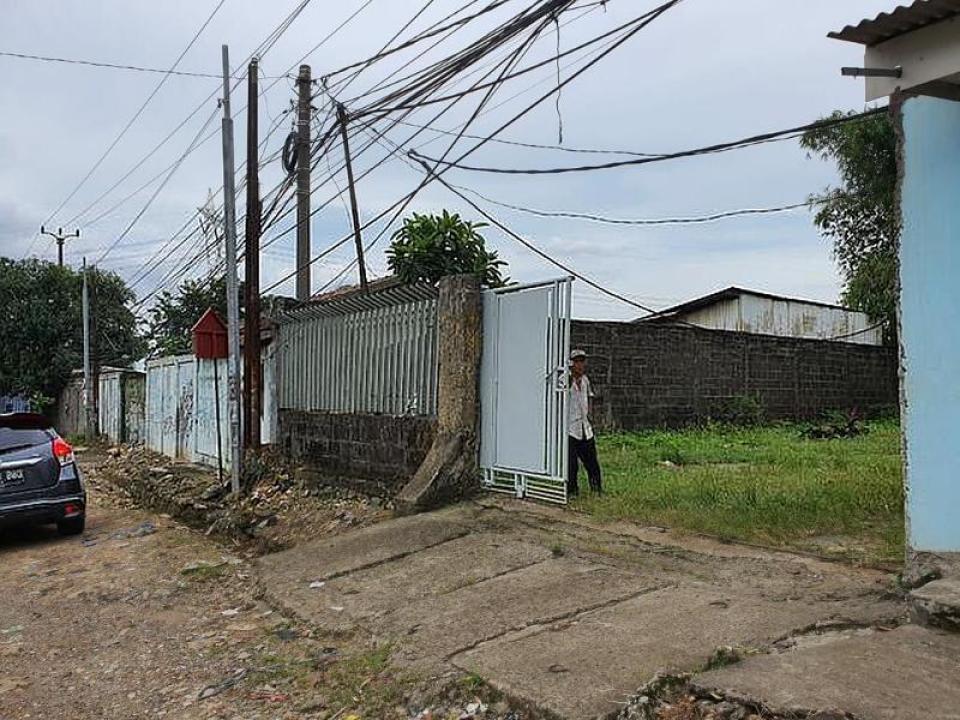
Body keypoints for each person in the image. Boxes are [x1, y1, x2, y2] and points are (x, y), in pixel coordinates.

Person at [567, 349, 602, 497]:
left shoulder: (585, 380)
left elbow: (589, 398)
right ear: (571, 364)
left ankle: (596, 489)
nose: (580, 365)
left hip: (585, 427)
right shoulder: (566, 380)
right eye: (577, 362)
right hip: (570, 428)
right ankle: (572, 491)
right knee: (571, 464)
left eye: (582, 362)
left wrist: (591, 417)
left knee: (592, 462)